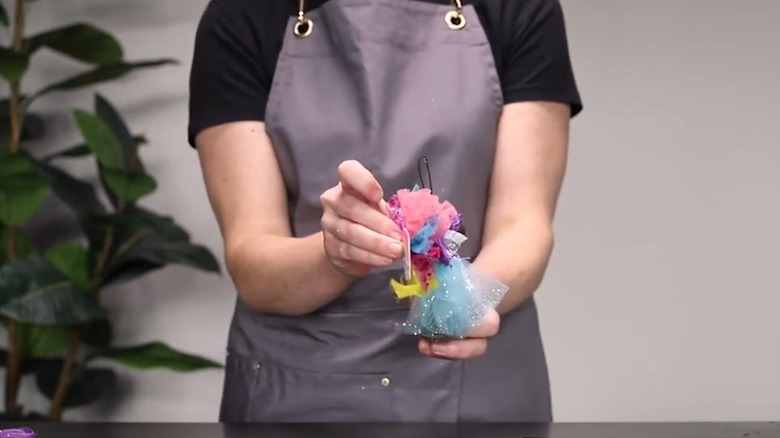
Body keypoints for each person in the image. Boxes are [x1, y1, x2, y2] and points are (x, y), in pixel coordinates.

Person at [188, 0, 582, 423]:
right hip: (298, 391)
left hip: (476, 388)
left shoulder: (518, 9)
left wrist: (459, 304)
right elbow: (252, 263)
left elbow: (524, 226)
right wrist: (336, 253)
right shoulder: (240, 16)